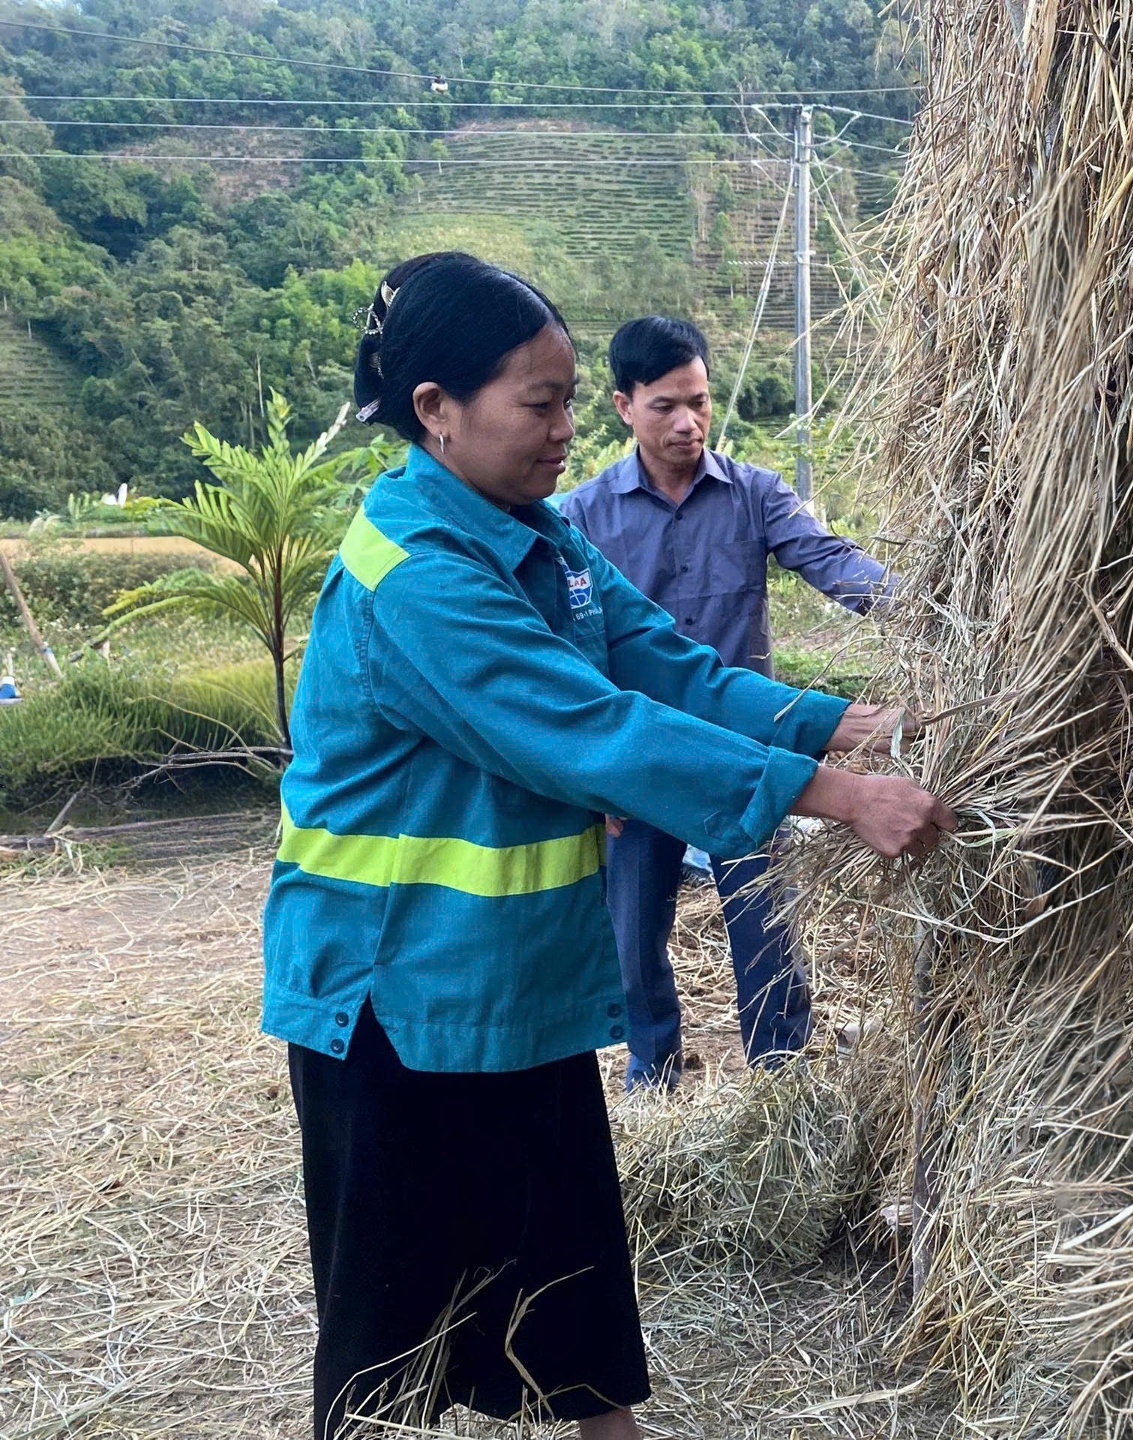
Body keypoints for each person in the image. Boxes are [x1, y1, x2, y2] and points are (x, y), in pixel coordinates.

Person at [262, 253, 955, 1440]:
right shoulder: (412, 579)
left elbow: (664, 663)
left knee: (569, 1269)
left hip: (513, 982)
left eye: (570, 401)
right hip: (392, 998)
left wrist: (842, 722)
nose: (564, 430)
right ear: (435, 408)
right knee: (392, 1336)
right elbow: (593, 730)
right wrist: (835, 795)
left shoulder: (535, 536)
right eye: (539, 404)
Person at [562, 317, 896, 1089]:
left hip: (747, 752)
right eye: (665, 406)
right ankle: (654, 1074)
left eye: (700, 402)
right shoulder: (582, 517)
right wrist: (586, 774)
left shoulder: (755, 494)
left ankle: (783, 1076)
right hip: (639, 755)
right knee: (633, 929)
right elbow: (571, 648)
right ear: (624, 406)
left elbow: (835, 564)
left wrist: (928, 609)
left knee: (764, 917)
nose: (687, 422)